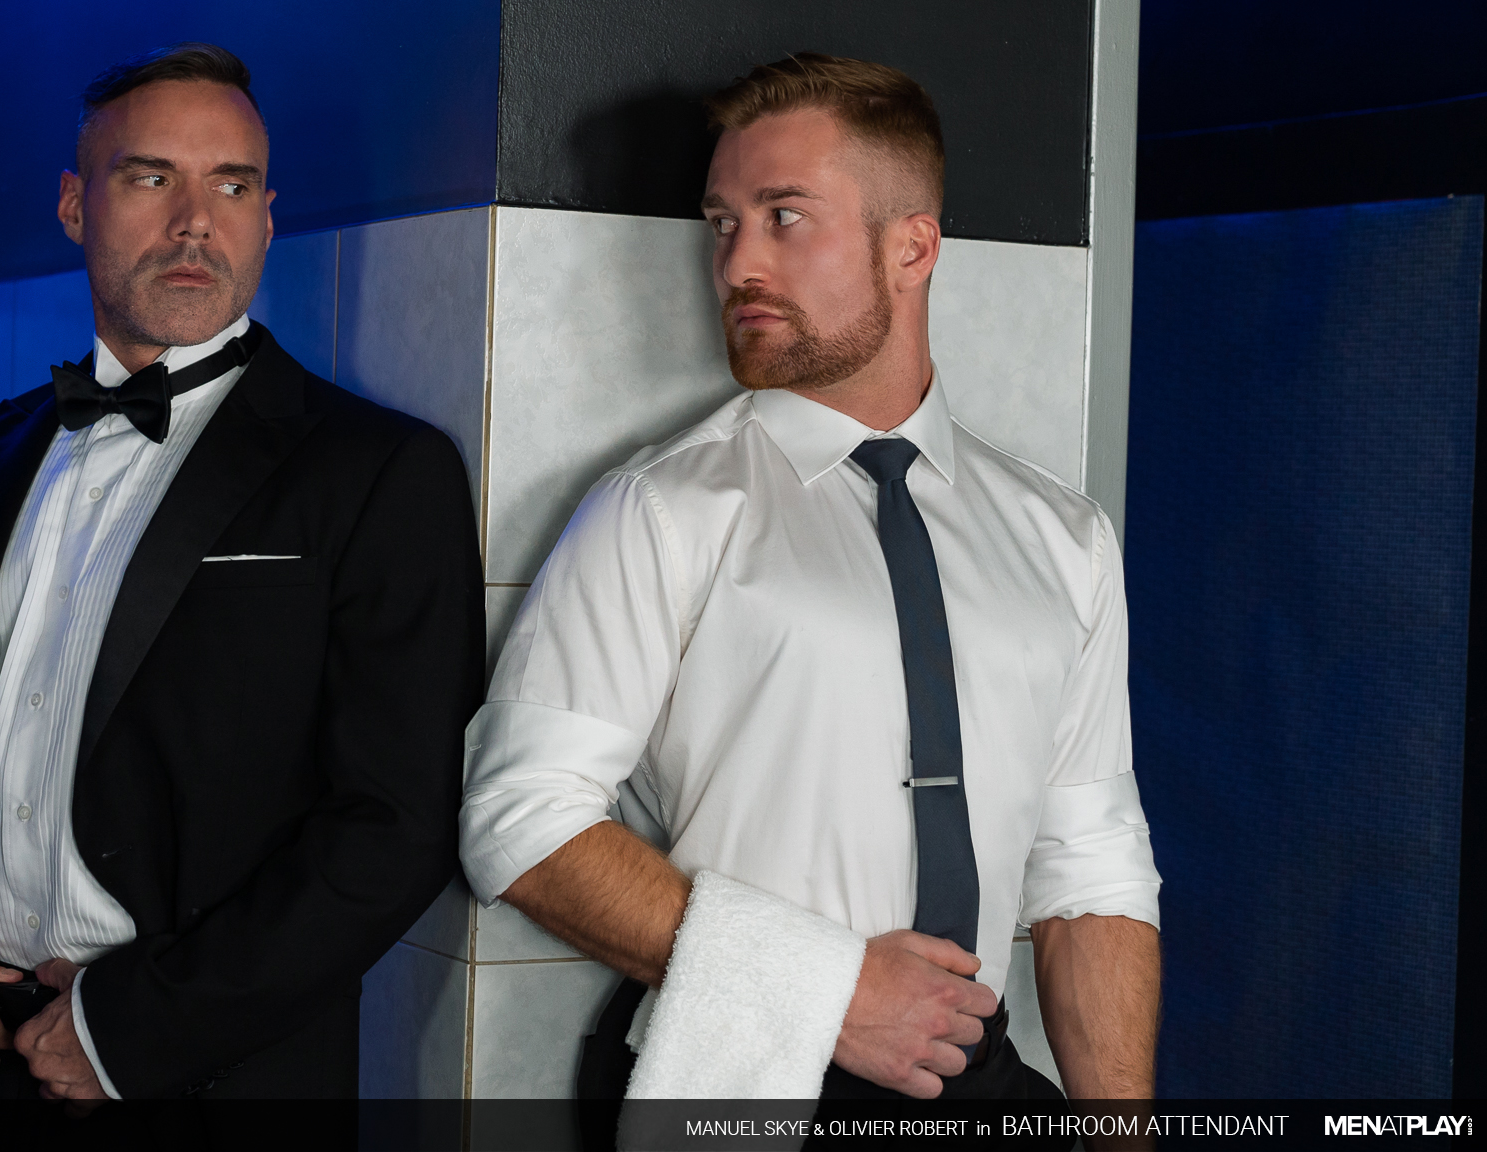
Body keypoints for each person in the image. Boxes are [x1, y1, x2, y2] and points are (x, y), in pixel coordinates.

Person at [458, 52, 1161, 1124]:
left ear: (912, 247)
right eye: (721, 224)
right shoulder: (660, 509)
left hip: (977, 1086)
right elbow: (519, 818)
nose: (737, 262)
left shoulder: (1063, 539)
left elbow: (1091, 871)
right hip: (730, 1082)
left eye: (783, 217)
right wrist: (830, 993)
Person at [0, 42, 482, 1108]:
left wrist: (142, 1023)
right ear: (76, 206)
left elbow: (398, 823)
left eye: (233, 186)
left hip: (202, 1084)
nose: (195, 223)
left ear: (267, 217)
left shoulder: (381, 472)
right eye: (151, 176)